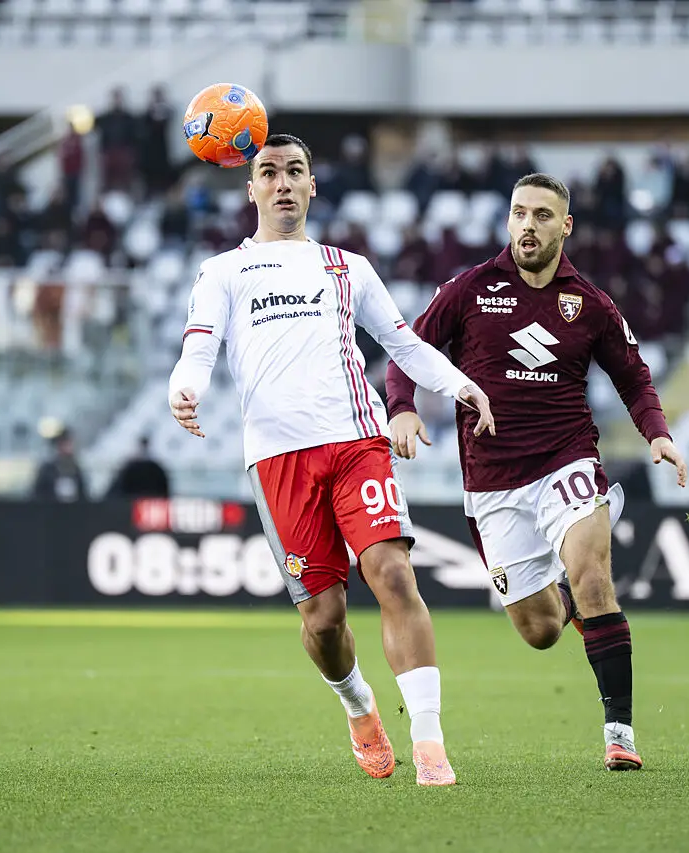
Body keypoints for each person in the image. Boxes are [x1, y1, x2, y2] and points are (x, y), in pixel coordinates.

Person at [167, 133, 494, 787]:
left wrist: (459, 383)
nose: (283, 181)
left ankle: (429, 744)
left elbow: (401, 342)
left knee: (394, 574)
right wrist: (186, 387)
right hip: (279, 460)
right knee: (322, 621)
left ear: (313, 186)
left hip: (356, 440)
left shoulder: (348, 266)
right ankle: (359, 705)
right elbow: (200, 345)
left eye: (295, 171)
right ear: (252, 187)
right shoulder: (223, 272)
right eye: (269, 172)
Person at [385, 173, 688, 772]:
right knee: (541, 629)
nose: (528, 225)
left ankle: (620, 733)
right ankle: (566, 592)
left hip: (567, 457)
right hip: (493, 482)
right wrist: (401, 408)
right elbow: (408, 349)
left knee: (597, 580)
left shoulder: (591, 303)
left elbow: (632, 375)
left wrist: (657, 434)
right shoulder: (469, 289)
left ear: (565, 226)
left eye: (542, 215)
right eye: (519, 213)